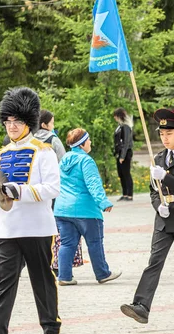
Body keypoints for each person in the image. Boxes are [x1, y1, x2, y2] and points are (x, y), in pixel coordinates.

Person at [0, 87, 61, 334]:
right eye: (8, 121)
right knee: (4, 282)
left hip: (38, 227)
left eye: (17, 121)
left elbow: (52, 188)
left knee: (42, 279)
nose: (12, 126)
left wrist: (20, 191)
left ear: (28, 122)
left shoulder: (44, 152)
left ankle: (50, 328)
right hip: (6, 228)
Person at [121, 108, 174, 328]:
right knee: (154, 261)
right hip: (164, 217)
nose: (165, 138)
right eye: (162, 134)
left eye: (169, 133)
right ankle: (141, 306)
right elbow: (154, 191)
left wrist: (166, 176)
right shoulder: (157, 157)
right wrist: (157, 205)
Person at [54, 128, 121, 286]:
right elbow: (93, 184)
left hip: (62, 209)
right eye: (88, 140)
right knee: (95, 242)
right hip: (85, 210)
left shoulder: (64, 160)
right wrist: (103, 202)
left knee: (67, 243)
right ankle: (102, 273)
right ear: (82, 144)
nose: (90, 142)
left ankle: (64, 277)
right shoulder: (86, 161)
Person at [34, 109, 84, 275]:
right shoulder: (53, 139)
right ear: (44, 124)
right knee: (57, 227)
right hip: (54, 189)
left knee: (40, 226)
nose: (53, 125)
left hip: (36, 190)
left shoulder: (31, 140)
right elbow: (64, 163)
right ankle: (56, 264)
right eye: (52, 122)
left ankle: (41, 262)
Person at [113, 107, 134, 201]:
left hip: (125, 153)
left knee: (126, 173)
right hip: (119, 153)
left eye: (115, 116)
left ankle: (130, 194)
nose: (114, 118)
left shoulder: (126, 127)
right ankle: (124, 193)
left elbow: (126, 142)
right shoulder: (119, 126)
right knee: (121, 174)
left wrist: (122, 156)